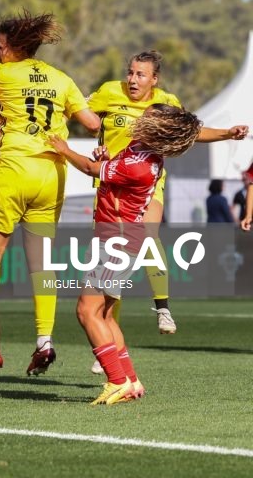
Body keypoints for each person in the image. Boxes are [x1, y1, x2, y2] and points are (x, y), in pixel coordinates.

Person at [0, 11, 100, 376]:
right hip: (51, 175)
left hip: (14, 169)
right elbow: (93, 123)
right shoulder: (62, 79)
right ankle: (45, 340)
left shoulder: (3, 75)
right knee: (42, 264)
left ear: (14, 48)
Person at [87, 50, 248, 342]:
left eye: (140, 74)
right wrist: (98, 146)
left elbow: (193, 132)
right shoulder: (109, 92)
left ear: (154, 79)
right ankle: (109, 332)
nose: (133, 79)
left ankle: (162, 307)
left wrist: (227, 133)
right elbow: (82, 115)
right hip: (111, 185)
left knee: (150, 236)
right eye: (131, 72)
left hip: (147, 182)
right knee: (114, 258)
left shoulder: (167, 103)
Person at [48, 103, 201, 404]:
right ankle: (130, 379)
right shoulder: (140, 149)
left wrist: (63, 149)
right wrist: (106, 158)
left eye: (149, 116)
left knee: (86, 311)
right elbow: (107, 171)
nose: (141, 117)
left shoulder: (141, 164)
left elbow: (93, 171)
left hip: (116, 243)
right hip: (122, 240)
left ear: (160, 129)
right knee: (105, 314)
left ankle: (116, 381)